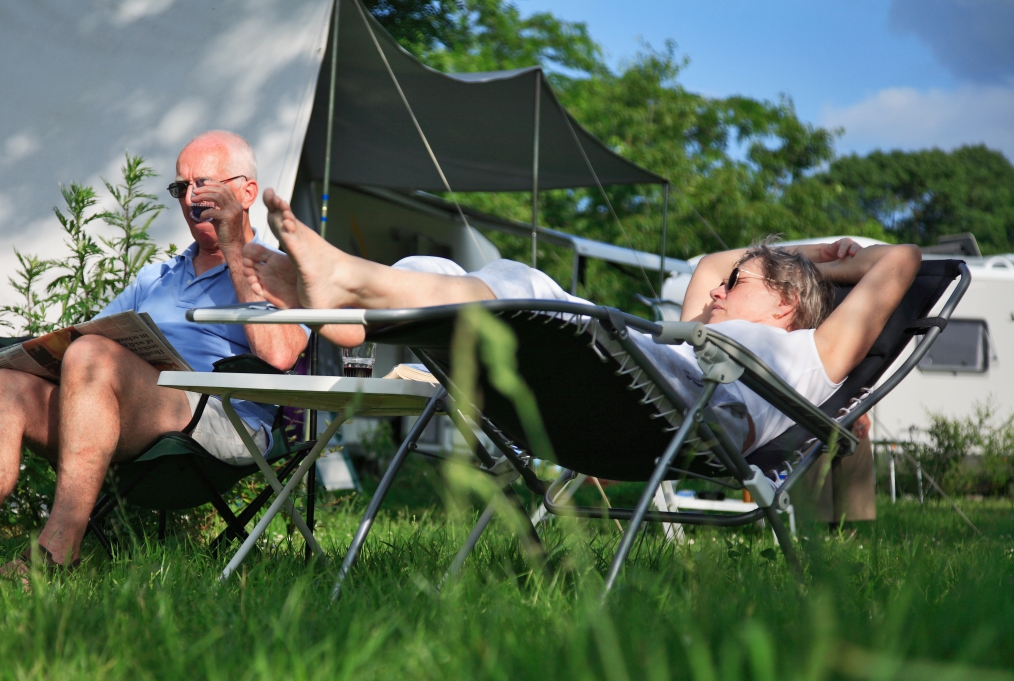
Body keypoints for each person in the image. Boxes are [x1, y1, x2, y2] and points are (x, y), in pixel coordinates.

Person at [239, 188, 921, 454]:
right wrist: (781, 256)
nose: (714, 292)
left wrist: (826, 267)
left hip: (661, 411)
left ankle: (353, 289)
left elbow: (903, 260)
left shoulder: (806, 354)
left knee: (521, 285)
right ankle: (353, 298)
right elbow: (712, 261)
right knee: (499, 279)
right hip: (627, 398)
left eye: (741, 285)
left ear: (783, 305)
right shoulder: (698, 328)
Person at [0, 131, 308, 576]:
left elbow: (280, 354)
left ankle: (58, 553)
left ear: (247, 192)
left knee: (93, 356)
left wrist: (235, 248)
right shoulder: (158, 276)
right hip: (135, 414)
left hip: (225, 420)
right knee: (6, 385)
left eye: (208, 186)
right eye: (183, 188)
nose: (193, 198)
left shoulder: (279, 264)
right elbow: (89, 339)